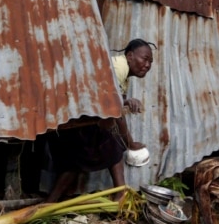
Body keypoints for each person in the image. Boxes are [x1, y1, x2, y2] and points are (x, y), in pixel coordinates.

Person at [45, 39, 156, 202]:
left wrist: (126, 103)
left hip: (79, 116)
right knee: (91, 153)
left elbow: (116, 103)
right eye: (145, 58)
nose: (147, 65)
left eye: (150, 62)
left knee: (104, 147)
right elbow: (115, 110)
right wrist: (130, 144)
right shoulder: (119, 67)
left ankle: (120, 191)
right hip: (75, 117)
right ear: (130, 56)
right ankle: (51, 202)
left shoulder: (123, 74)